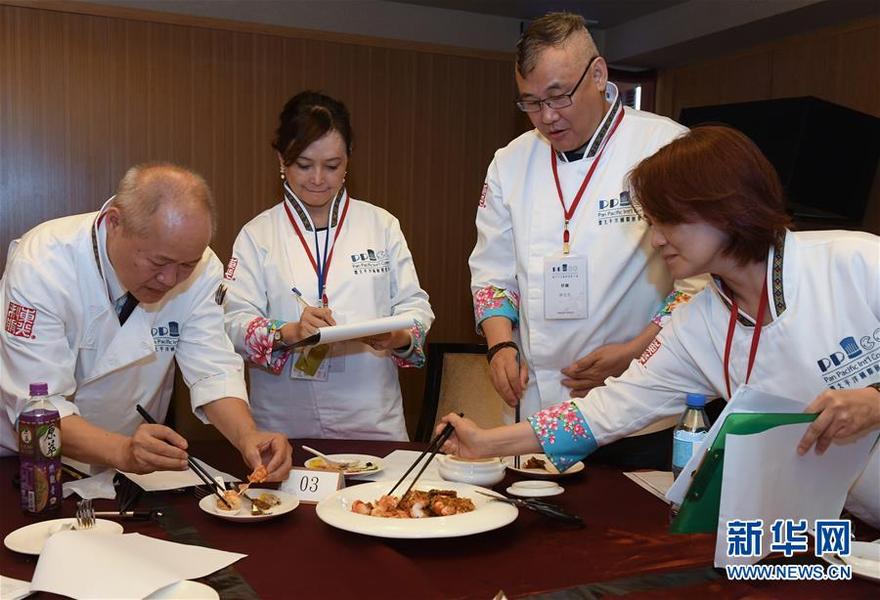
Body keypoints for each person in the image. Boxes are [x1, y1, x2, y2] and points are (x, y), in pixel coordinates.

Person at [441, 126, 880, 527]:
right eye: (652, 223)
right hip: (845, 518)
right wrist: (487, 443)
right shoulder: (697, 324)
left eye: (667, 221)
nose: (656, 240)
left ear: (726, 207)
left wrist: (874, 400)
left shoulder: (857, 261)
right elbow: (606, 411)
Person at [469, 12, 706, 466]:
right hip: (537, 407)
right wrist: (499, 344)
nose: (548, 117)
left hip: (641, 408)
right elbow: (491, 273)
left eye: (558, 96)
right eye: (531, 103)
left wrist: (636, 354)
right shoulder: (510, 162)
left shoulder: (665, 148)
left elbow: (700, 287)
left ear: (598, 74)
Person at [0, 164, 292, 480]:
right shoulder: (42, 265)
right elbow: (38, 408)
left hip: (124, 466)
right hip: (28, 460)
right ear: (115, 223)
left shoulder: (203, 269)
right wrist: (123, 451)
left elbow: (213, 370)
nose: (170, 279)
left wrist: (246, 435)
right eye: (158, 262)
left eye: (186, 266)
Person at [222, 91, 434, 440]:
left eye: (332, 165)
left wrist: (396, 336)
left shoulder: (380, 225)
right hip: (283, 424)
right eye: (304, 165)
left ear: (349, 159)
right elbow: (232, 323)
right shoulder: (257, 234)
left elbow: (416, 308)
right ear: (281, 159)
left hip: (371, 418)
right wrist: (289, 332)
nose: (318, 178)